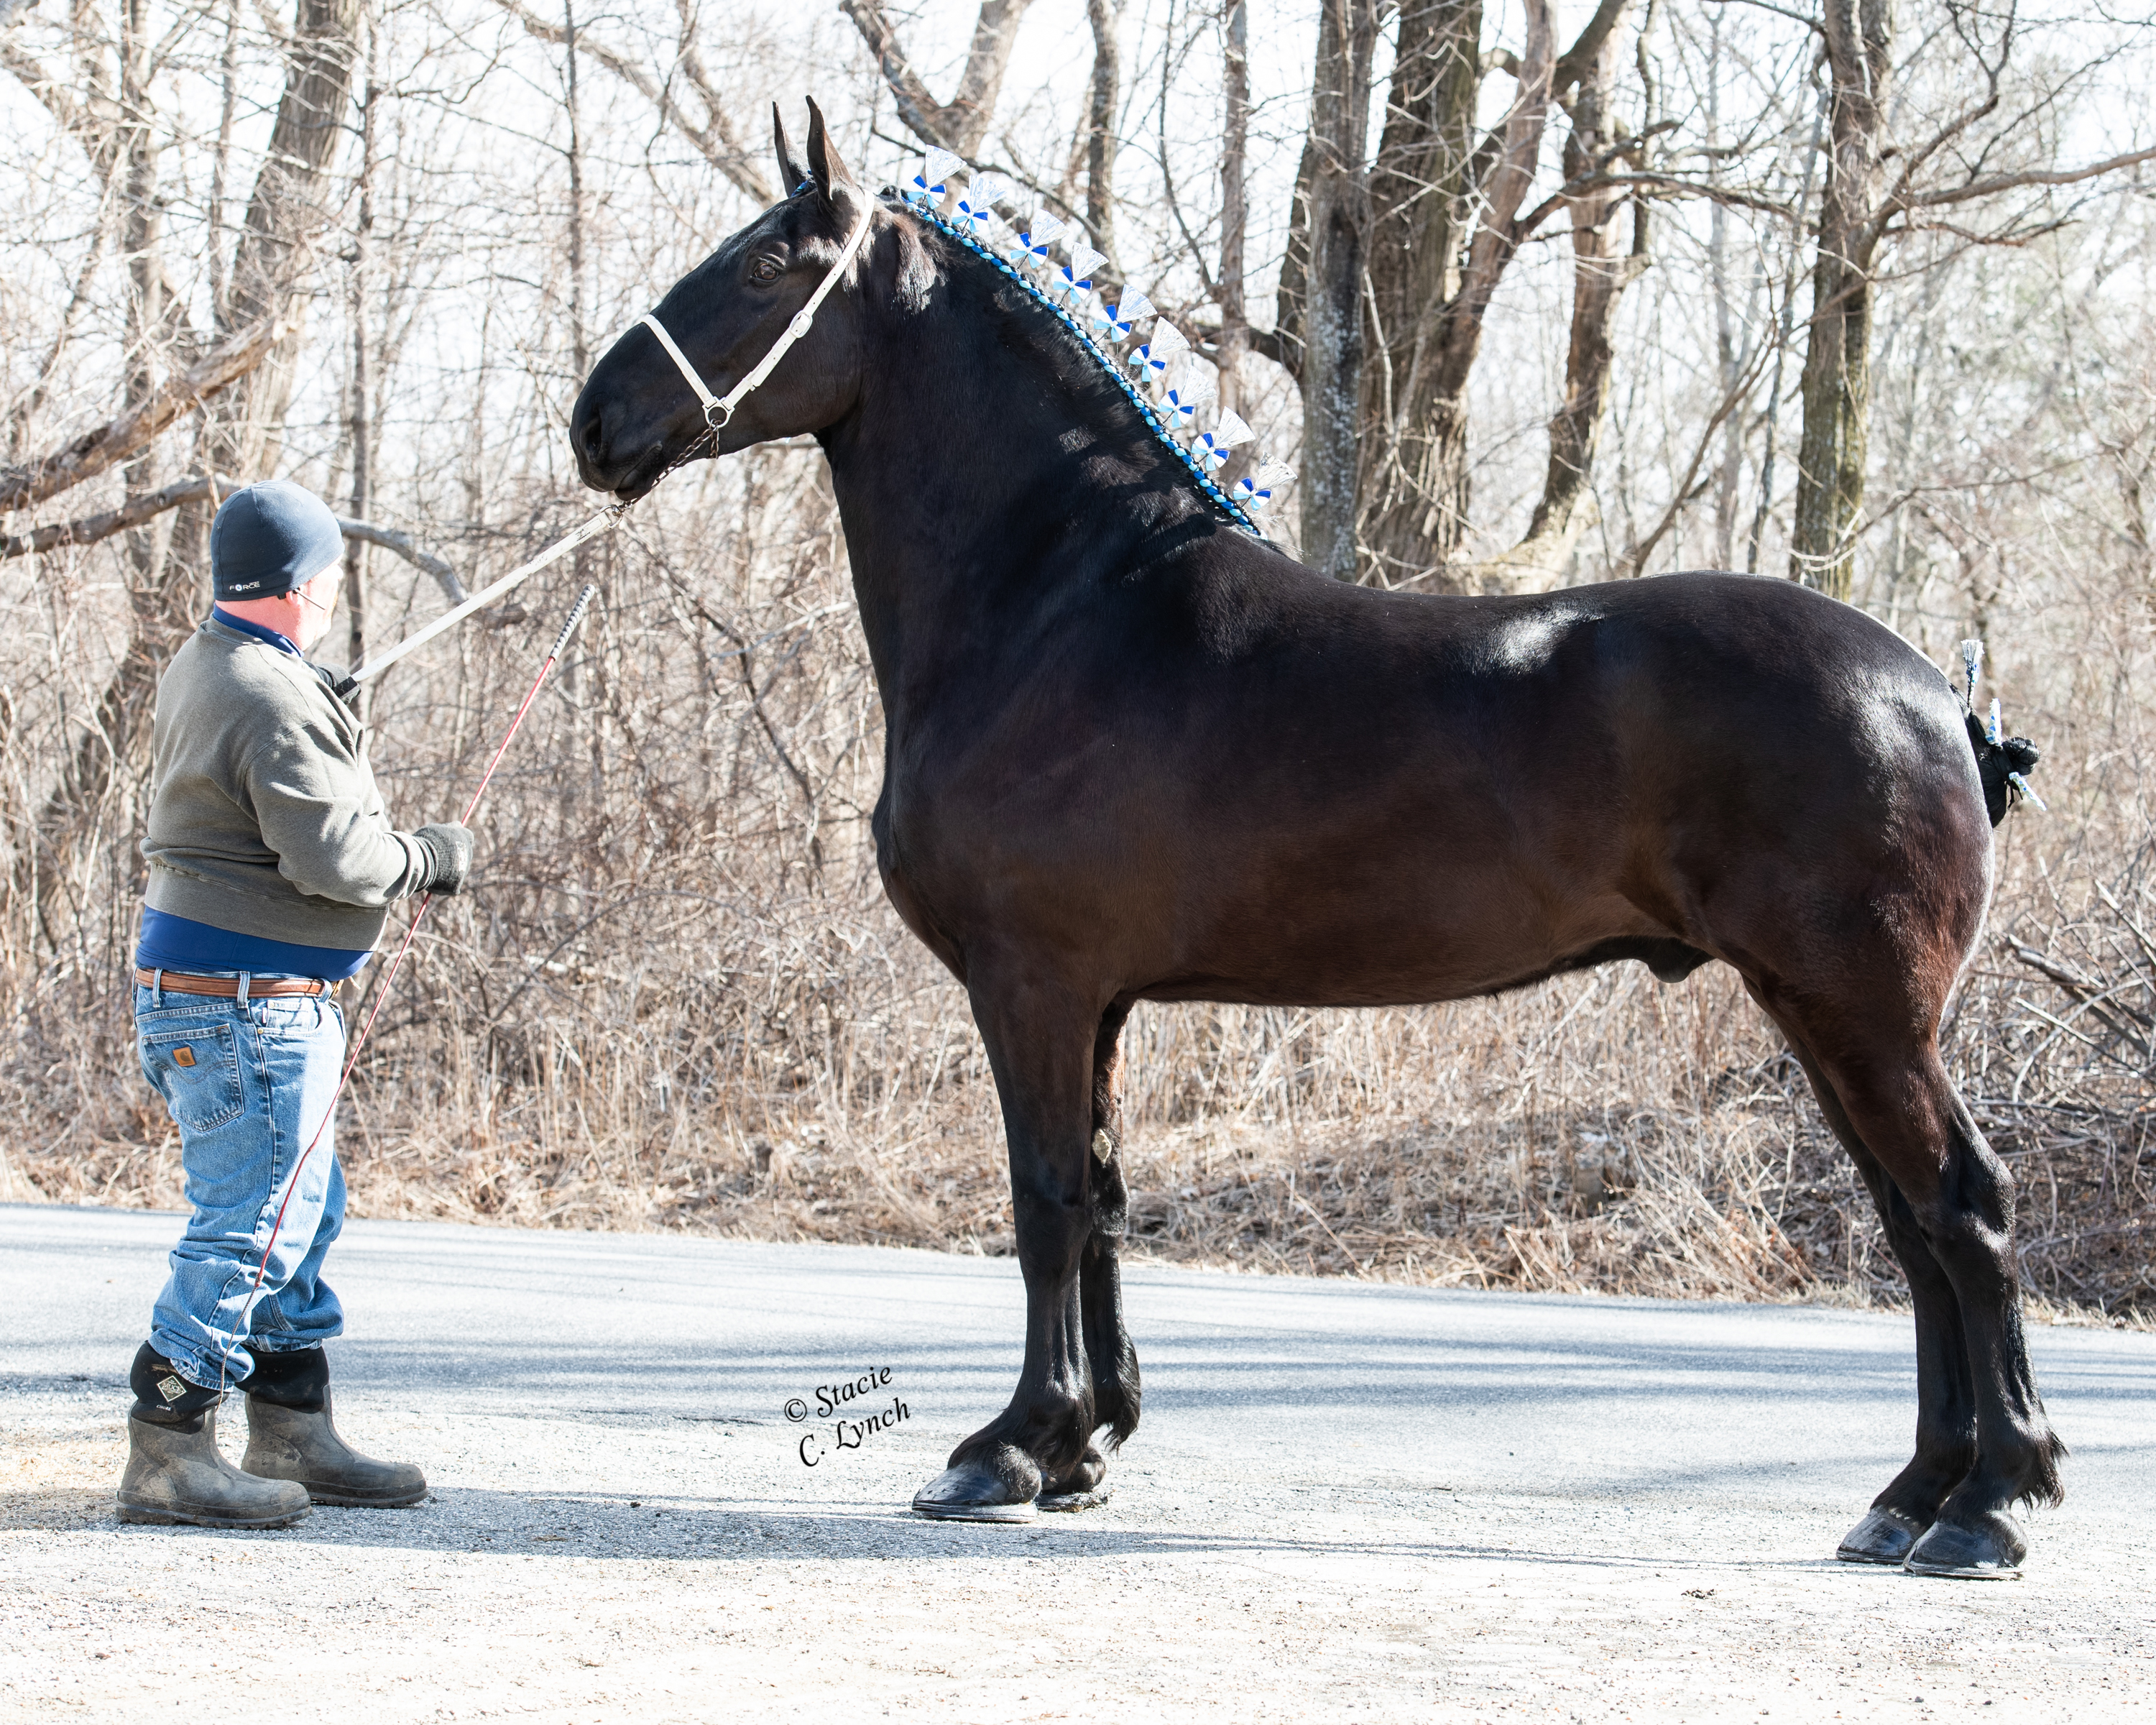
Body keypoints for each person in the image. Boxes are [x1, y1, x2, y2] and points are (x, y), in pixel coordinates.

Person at [119, 479, 473, 1529]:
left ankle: (291, 1427)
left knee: (301, 1214)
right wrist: (428, 860)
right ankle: (171, 1448)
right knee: (252, 1228)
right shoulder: (268, 697)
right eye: (329, 575)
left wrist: (316, 706)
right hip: (242, 1007)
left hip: (237, 996)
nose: (334, 591)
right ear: (304, 583)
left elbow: (263, 772)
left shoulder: (217, 663)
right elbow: (337, 859)